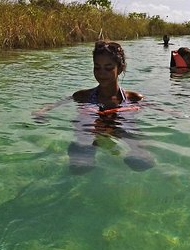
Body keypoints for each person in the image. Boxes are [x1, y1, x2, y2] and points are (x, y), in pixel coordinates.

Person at [34, 40, 154, 173]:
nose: (101, 73)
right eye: (97, 67)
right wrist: (41, 111)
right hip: (90, 131)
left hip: (120, 127)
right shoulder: (82, 96)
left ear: (120, 69)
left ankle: (135, 152)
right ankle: (85, 154)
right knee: (80, 164)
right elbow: (57, 103)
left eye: (108, 68)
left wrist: (175, 113)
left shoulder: (133, 98)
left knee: (142, 160)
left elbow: (156, 107)